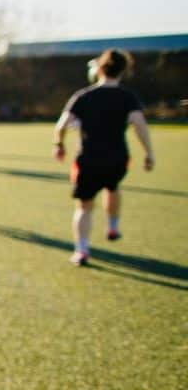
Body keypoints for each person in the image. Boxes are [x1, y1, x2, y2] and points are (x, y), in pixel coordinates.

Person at [53, 49, 154, 266]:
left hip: (88, 159)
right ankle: (113, 225)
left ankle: (81, 250)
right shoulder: (128, 97)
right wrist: (149, 153)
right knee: (112, 187)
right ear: (123, 71)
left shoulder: (82, 96)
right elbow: (139, 124)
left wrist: (59, 145)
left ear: (99, 69)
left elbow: (61, 126)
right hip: (118, 158)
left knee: (84, 206)